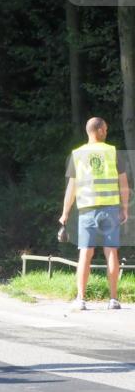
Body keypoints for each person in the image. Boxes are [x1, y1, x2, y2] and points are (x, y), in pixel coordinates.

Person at [59, 117, 130, 310]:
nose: (106, 132)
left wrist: (65, 213)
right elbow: (123, 184)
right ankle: (113, 299)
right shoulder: (113, 152)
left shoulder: (77, 154)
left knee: (85, 253)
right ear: (98, 130)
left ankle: (81, 299)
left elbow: (71, 188)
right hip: (110, 209)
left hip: (87, 210)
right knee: (111, 252)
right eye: (105, 129)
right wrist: (124, 208)